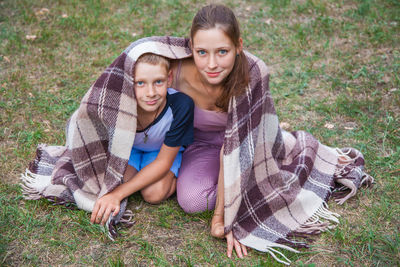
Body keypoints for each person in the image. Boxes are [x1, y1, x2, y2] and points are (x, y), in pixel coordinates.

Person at [170, 4, 249, 258]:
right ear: (190, 46)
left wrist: (222, 215)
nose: (212, 64)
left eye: (222, 51)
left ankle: (245, 192)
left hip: (244, 145)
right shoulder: (176, 71)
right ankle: (242, 191)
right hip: (200, 145)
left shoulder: (251, 76)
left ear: (238, 46)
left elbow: (234, 145)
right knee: (192, 201)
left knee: (272, 183)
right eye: (202, 52)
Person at [90, 53, 194, 225]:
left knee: (154, 194)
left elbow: (162, 162)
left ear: (169, 79)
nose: (151, 93)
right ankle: (137, 174)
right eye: (140, 83)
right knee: (119, 181)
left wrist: (118, 195)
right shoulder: (119, 103)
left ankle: (176, 178)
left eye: (158, 82)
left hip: (163, 152)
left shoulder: (181, 104)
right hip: (129, 149)